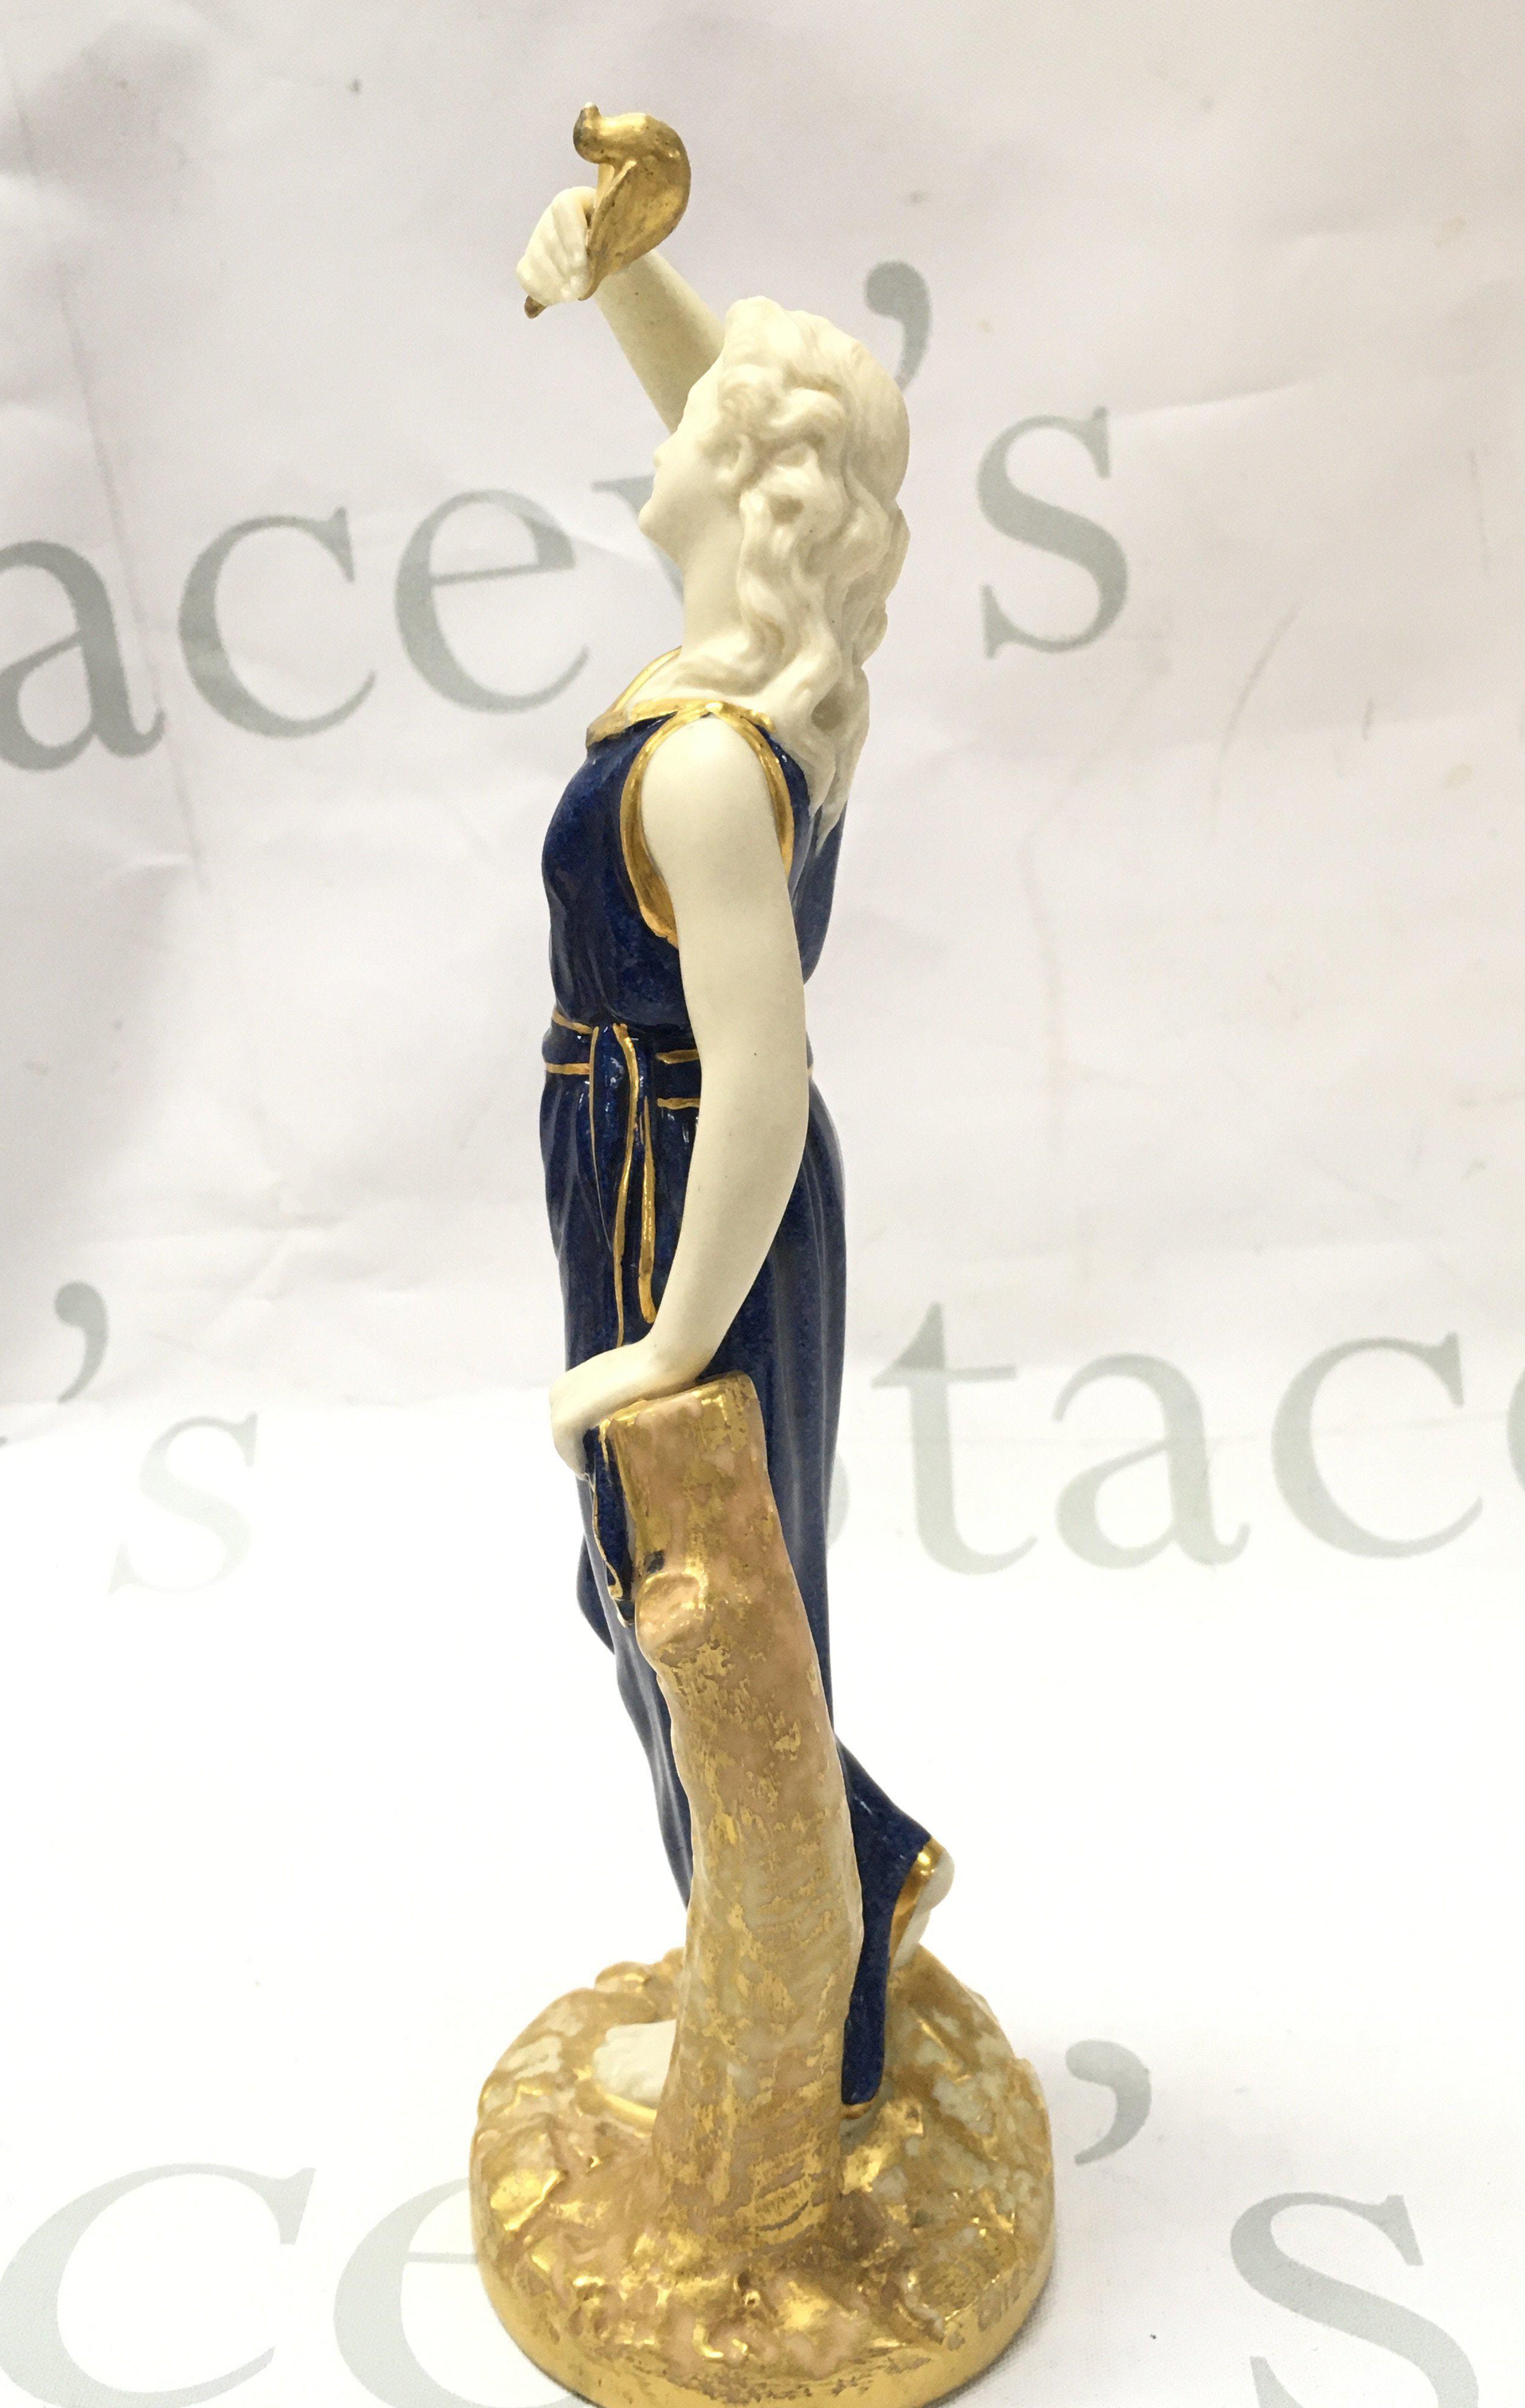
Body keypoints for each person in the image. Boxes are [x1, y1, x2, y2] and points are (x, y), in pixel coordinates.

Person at [518, 188, 950, 2109]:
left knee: (691, 1603)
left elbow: (760, 1078)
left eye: (700, 419)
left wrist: (668, 1344)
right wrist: (632, 267)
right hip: (659, 1155)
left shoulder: (706, 761)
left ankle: (790, 2025)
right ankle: (821, 1915)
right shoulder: (772, 691)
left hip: (681, 1173)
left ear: (747, 493)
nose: (672, 418)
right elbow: (741, 408)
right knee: (700, 1597)